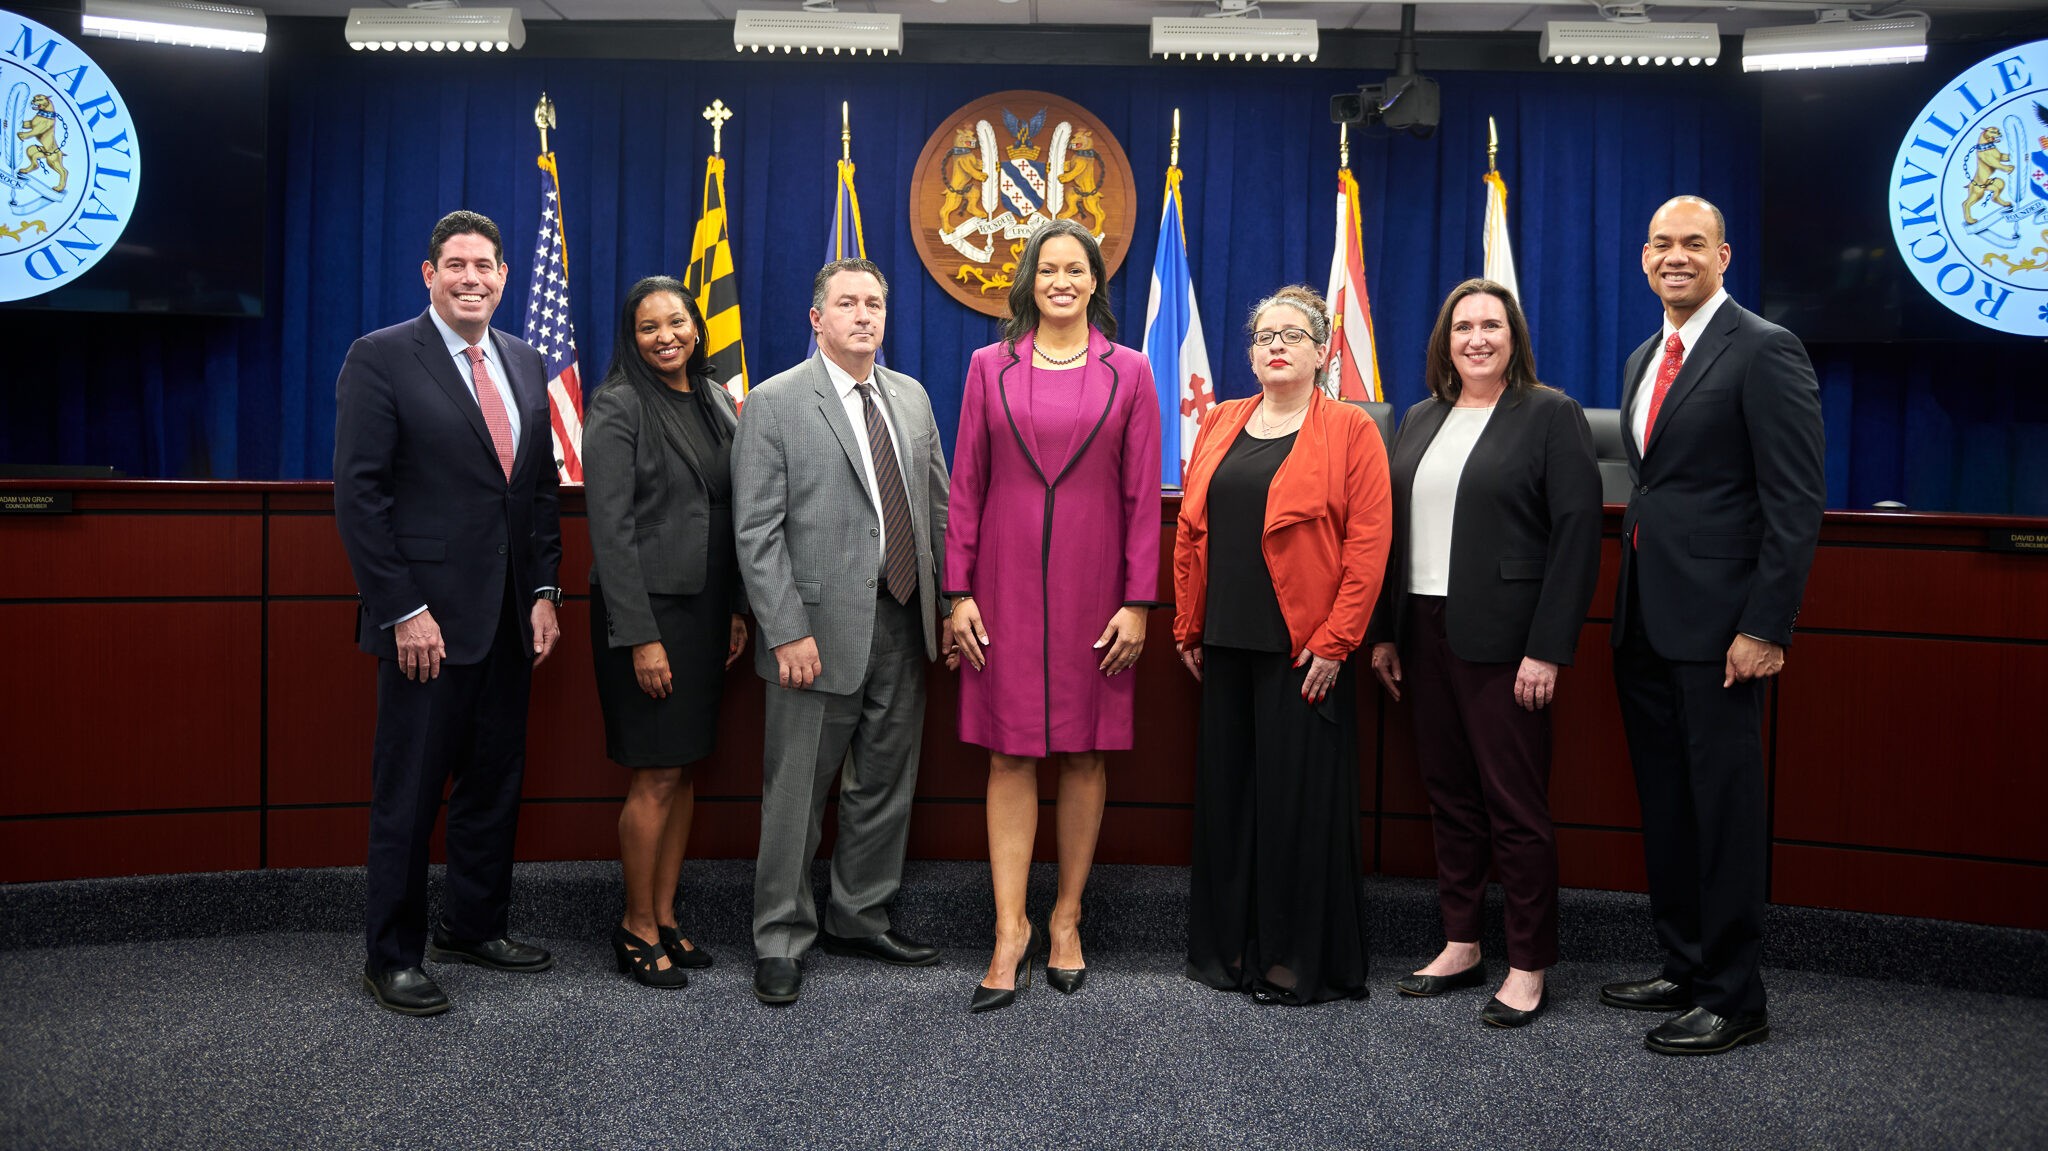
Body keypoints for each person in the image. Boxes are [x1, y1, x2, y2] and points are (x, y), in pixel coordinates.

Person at [1602, 196, 1824, 1055]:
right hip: (1647, 624)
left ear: (1724, 255)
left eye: (1693, 243)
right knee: (1667, 806)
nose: (1675, 256)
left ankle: (1736, 997)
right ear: (1644, 257)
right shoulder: (1642, 356)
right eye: (1661, 243)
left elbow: (1796, 502)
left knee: (1723, 814)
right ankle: (1685, 963)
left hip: (1725, 632)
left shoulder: (1766, 350)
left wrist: (1766, 625)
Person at [333, 209, 562, 1016]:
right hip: (423, 625)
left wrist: (543, 592)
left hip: (508, 620)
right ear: (428, 274)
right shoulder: (383, 356)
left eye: (486, 265)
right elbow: (360, 497)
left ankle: (473, 924)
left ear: (504, 277)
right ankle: (390, 954)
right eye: (455, 264)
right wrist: (402, 609)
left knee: (492, 784)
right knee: (410, 792)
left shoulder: (527, 362)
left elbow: (535, 494)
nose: (472, 277)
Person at [1364, 279, 1602, 1028]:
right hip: (1424, 631)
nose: (1476, 337)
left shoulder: (1551, 414)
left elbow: (1576, 542)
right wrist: (1387, 631)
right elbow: (1389, 531)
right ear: (1445, 340)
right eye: (1463, 325)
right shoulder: (1420, 417)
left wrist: (1547, 650)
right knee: (1451, 798)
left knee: (1515, 808)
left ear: (1514, 336)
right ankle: (1462, 941)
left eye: (1491, 325)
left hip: (1507, 643)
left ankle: (1528, 964)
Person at [945, 219, 1161, 1012]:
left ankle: (1066, 919)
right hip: (998, 587)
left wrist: (1139, 602)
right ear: (1029, 280)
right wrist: (957, 590)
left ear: (1096, 281)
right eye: (1048, 268)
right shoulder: (985, 366)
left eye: (1076, 268)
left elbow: (1144, 497)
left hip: (1095, 590)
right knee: (1007, 755)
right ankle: (1010, 929)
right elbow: (965, 480)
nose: (1061, 280)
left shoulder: (1131, 370)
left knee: (1083, 754)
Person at [732, 258, 952, 1006]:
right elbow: (755, 531)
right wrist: (785, 629)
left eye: (876, 304)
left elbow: (939, 509)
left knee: (884, 783)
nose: (865, 315)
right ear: (816, 318)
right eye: (848, 303)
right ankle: (781, 937)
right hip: (813, 633)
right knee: (796, 793)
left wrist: (950, 603)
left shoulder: (913, 398)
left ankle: (859, 913)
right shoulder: (775, 402)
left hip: (903, 617)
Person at [1173, 285, 1393, 1005]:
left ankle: (1293, 961)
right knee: (1229, 802)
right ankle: (1227, 951)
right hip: (1225, 641)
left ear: (1323, 350)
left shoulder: (1351, 430)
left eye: (1293, 335)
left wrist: (1337, 641)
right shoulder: (1222, 419)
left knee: (1296, 808)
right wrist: (1186, 621)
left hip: (1303, 650)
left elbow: (1368, 544)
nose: (1275, 346)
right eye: (1264, 335)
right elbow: (1190, 532)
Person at [582, 276, 748, 989]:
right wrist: (639, 636)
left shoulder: (712, 398)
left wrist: (737, 606)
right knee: (653, 773)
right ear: (632, 335)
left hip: (708, 611)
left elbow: (732, 507)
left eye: (676, 321)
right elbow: (611, 532)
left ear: (696, 325)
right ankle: (635, 923)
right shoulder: (618, 405)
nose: (666, 336)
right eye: (649, 327)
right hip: (648, 616)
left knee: (683, 770)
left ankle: (666, 913)